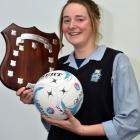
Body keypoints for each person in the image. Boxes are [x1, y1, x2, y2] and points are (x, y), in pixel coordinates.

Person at [16, 0, 140, 139]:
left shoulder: (115, 60)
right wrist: (39, 99)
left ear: (96, 22)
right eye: (66, 20)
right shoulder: (56, 66)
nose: (71, 26)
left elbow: (132, 121)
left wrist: (81, 130)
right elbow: (52, 124)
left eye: (80, 19)